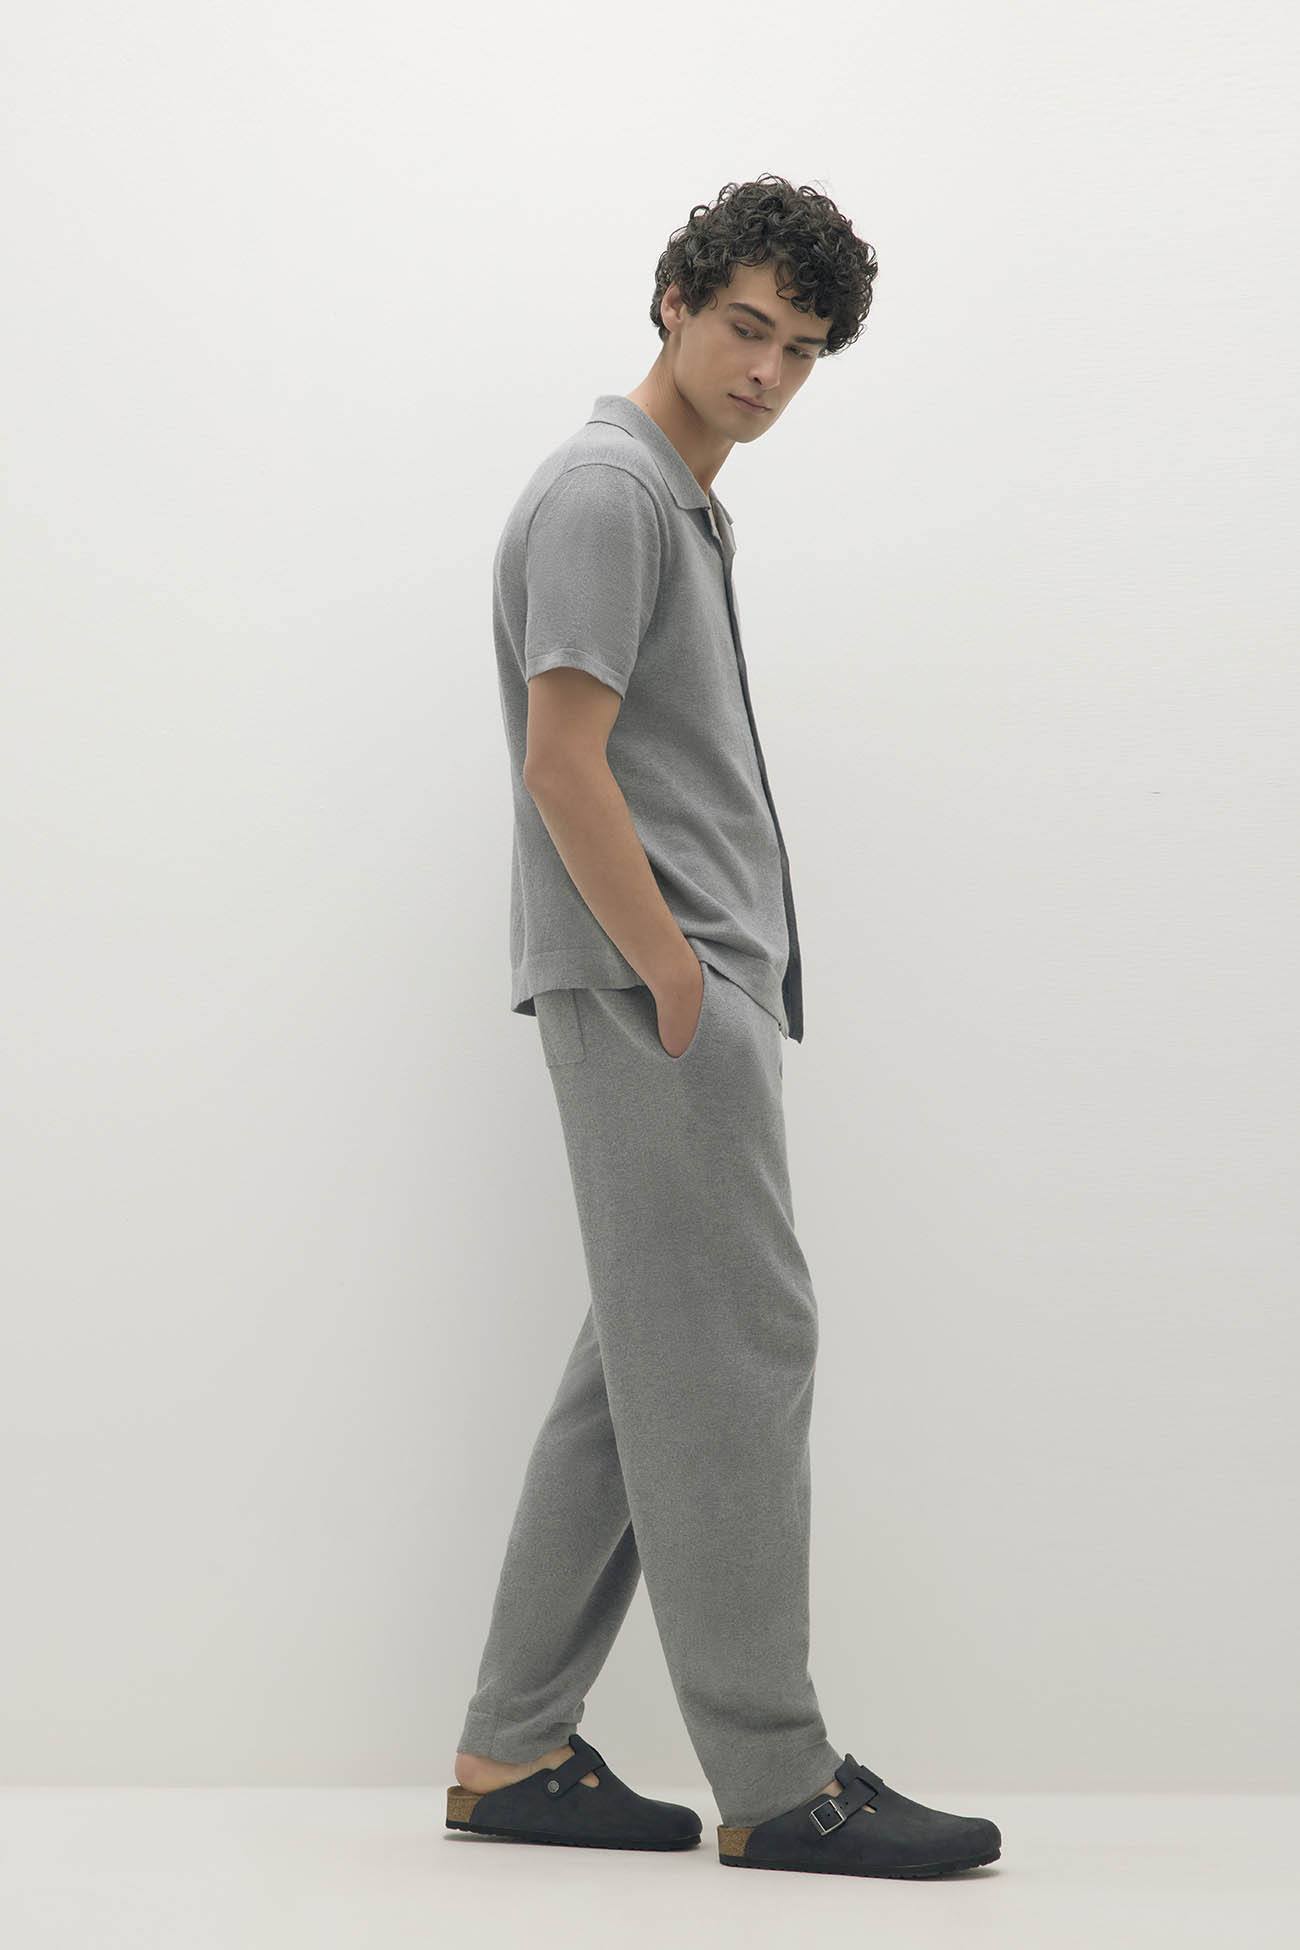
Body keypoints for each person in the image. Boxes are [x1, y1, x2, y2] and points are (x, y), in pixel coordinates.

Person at [448, 174, 1002, 1879]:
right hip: (657, 985)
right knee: (742, 1345)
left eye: (802, 348)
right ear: (673, 302)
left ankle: (512, 1740)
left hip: (679, 979)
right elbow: (563, 756)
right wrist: (675, 971)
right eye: (746, 326)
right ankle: (778, 1775)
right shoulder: (611, 491)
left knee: (644, 1363)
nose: (767, 371)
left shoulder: (672, 499)